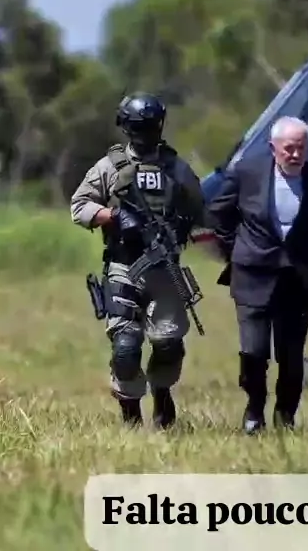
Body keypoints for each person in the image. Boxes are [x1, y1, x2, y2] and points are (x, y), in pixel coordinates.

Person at [70, 93, 206, 429]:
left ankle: (162, 393)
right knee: (126, 346)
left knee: (168, 343)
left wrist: (182, 226)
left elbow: (201, 209)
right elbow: (79, 206)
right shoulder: (110, 167)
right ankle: (130, 412)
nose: (145, 133)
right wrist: (113, 216)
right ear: (126, 127)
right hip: (124, 265)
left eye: (150, 126)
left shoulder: (175, 168)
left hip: (165, 268)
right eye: (138, 127)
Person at [207, 116, 308, 434]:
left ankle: (286, 416)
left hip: (297, 278)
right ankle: (254, 410)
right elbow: (217, 213)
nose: (295, 154)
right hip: (252, 275)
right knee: (253, 352)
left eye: (301, 148)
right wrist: (235, 249)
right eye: (288, 148)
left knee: (291, 356)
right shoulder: (247, 172)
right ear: (273, 147)